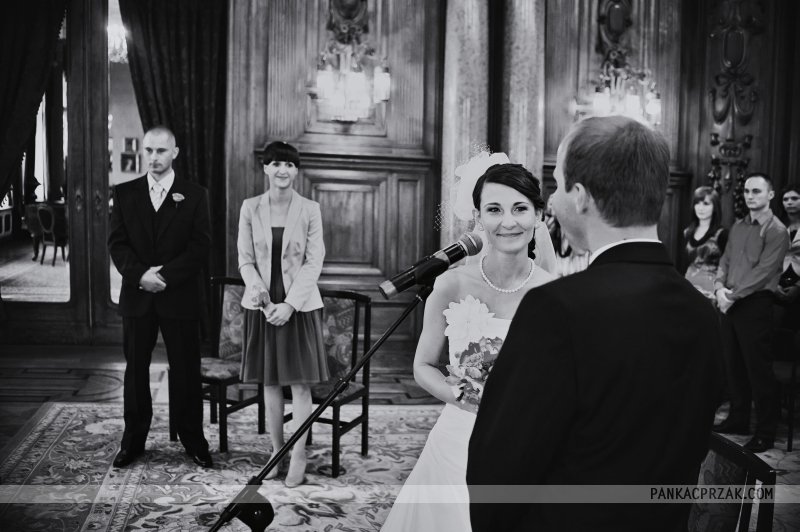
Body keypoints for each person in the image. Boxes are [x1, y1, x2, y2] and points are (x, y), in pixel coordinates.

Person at [467, 116, 722, 531]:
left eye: (557, 184)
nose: (551, 201)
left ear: (581, 197)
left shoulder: (556, 308)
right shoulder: (703, 313)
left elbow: (499, 466)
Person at [381, 160, 555, 531]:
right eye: (494, 209)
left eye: (520, 208)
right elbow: (423, 366)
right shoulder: (451, 284)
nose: (508, 222)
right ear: (478, 217)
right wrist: (466, 397)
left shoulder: (553, 294)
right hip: (457, 438)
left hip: (524, 441)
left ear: (539, 215)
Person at [108, 126, 212, 468]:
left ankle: (193, 441)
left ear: (175, 153)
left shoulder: (195, 195)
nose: (153, 157)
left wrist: (163, 277)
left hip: (179, 296)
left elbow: (200, 246)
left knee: (186, 370)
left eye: (161, 151)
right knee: (136, 371)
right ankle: (132, 443)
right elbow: (117, 244)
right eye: (149, 150)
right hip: (137, 296)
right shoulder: (125, 193)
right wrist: (140, 276)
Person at [237, 141, 328, 487]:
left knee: (300, 385)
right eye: (276, 163)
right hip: (262, 305)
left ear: (296, 170)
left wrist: (289, 305)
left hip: (299, 306)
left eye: (289, 164)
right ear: (265, 168)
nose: (282, 170)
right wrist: (265, 301)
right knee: (271, 382)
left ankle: (299, 454)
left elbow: (314, 261)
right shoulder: (250, 207)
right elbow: (245, 260)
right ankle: (277, 452)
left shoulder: (310, 209)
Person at [713, 173, 790, 453]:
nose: (749, 196)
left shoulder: (777, 230)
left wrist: (731, 296)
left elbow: (764, 272)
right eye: (746, 191)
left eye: (756, 191)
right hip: (729, 300)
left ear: (770, 195)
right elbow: (725, 260)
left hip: (755, 303)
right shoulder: (738, 226)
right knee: (733, 366)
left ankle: (765, 432)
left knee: (758, 370)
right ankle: (738, 419)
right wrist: (719, 287)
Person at [683, 186, 728, 301]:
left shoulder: (722, 234)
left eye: (706, 204)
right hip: (688, 289)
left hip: (711, 294)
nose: (700, 208)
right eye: (697, 203)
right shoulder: (688, 232)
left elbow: (729, 266)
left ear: (715, 207)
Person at [775, 183, 800, 330]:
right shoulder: (775, 225)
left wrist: (798, 287)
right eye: (785, 199)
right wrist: (774, 284)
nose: (789, 202)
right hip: (778, 282)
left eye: (795, 198)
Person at [546, 195, 589, 277]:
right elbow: (542, 235)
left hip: (579, 271)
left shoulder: (579, 224)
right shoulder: (554, 224)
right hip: (560, 271)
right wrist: (549, 214)